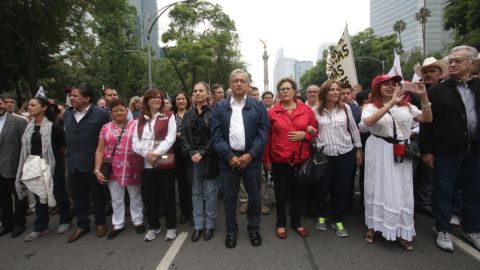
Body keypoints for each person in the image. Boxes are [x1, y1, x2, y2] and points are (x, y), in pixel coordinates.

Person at [420, 45, 480, 252]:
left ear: (471, 64)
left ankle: (471, 229)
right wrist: (426, 150)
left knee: (473, 192)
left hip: (475, 151)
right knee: (444, 191)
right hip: (447, 151)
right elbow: (427, 123)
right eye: (451, 61)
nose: (452, 64)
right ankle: (443, 228)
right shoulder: (436, 91)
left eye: (458, 61)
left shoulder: (478, 87)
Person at [361, 74, 432, 250]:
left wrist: (423, 96)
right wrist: (391, 104)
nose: (391, 86)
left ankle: (402, 231)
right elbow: (368, 122)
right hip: (379, 149)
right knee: (376, 187)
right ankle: (372, 226)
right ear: (377, 88)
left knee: (402, 190)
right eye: (386, 84)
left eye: (394, 84)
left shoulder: (407, 106)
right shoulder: (369, 106)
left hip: (401, 150)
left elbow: (427, 119)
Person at [211, 69, 269, 249]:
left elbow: (264, 131)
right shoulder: (220, 107)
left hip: (251, 160)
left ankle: (253, 229)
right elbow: (216, 134)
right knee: (229, 198)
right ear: (230, 84)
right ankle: (231, 232)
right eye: (235, 81)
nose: (238, 83)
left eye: (242, 81)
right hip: (228, 161)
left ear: (247, 85)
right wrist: (229, 156)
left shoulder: (258, 105)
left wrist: (250, 154)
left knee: (254, 197)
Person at [264, 78, 317, 239]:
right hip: (280, 160)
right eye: (282, 89)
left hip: (301, 159)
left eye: (288, 88)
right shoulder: (272, 112)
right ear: (278, 93)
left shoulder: (306, 110)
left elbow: (316, 131)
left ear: (295, 91)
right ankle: (281, 223)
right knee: (281, 193)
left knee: (299, 193)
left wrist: (306, 134)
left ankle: (296, 222)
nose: (285, 91)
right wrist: (267, 160)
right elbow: (267, 137)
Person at [313, 80, 362, 237]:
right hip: (324, 155)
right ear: (324, 93)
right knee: (322, 188)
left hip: (345, 154)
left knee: (342, 188)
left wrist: (358, 149)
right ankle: (321, 215)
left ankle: (338, 219)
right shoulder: (315, 111)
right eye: (331, 90)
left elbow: (354, 130)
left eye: (337, 90)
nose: (335, 92)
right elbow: (311, 132)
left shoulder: (345, 108)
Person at [14, 97, 68, 241]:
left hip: (53, 165)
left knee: (59, 193)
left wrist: (53, 162)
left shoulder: (54, 127)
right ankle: (41, 226)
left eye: (33, 105)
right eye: (29, 105)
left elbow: (63, 148)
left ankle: (65, 220)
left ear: (43, 108)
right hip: (35, 166)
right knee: (39, 196)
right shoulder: (29, 127)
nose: (29, 108)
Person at [64, 83, 111, 243]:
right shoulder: (68, 114)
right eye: (71, 96)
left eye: (75, 95)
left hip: (93, 163)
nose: (72, 98)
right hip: (73, 162)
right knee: (78, 196)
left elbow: (108, 137)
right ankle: (82, 224)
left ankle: (100, 223)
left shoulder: (101, 114)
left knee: (98, 195)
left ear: (87, 98)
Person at [94, 99, 144, 240]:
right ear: (111, 113)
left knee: (135, 195)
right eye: (115, 110)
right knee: (116, 198)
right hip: (113, 169)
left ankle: (138, 220)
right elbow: (100, 149)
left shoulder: (136, 124)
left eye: (122, 109)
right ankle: (118, 224)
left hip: (133, 167)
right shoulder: (106, 128)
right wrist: (97, 170)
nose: (119, 112)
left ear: (127, 111)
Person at [132, 88, 177, 242]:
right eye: (153, 98)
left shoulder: (169, 116)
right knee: (149, 198)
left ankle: (171, 227)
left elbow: (170, 139)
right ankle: (154, 226)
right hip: (146, 165)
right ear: (147, 101)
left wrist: (156, 153)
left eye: (159, 97)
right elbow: (135, 143)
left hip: (163, 161)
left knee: (168, 196)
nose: (157, 100)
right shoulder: (139, 120)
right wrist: (147, 155)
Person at [181, 82, 219, 242]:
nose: (197, 93)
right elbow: (182, 135)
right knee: (196, 192)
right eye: (195, 91)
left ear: (208, 94)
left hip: (209, 158)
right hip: (192, 159)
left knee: (210, 193)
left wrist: (202, 153)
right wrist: (191, 152)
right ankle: (198, 226)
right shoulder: (188, 114)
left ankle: (209, 225)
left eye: (201, 90)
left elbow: (217, 136)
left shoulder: (214, 113)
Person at [412, 57, 449, 217]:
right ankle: (414, 202)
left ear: (440, 74)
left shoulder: (448, 92)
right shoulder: (414, 95)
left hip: (441, 141)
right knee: (414, 173)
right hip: (416, 141)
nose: (428, 75)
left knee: (432, 175)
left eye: (432, 71)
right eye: (425, 72)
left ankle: (425, 202)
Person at [0, 95, 28, 238]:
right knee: (3, 199)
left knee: (19, 195)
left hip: (14, 166)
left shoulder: (18, 121)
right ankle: (7, 223)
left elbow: (25, 145)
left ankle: (19, 223)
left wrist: (23, 166)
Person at [172, 92, 193, 225]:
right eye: (178, 99)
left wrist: (181, 134)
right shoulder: (170, 116)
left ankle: (192, 212)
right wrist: (176, 134)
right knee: (181, 183)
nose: (180, 101)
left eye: (183, 99)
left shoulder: (193, 114)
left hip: (190, 152)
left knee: (191, 183)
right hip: (176, 152)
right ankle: (184, 212)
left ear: (187, 101)